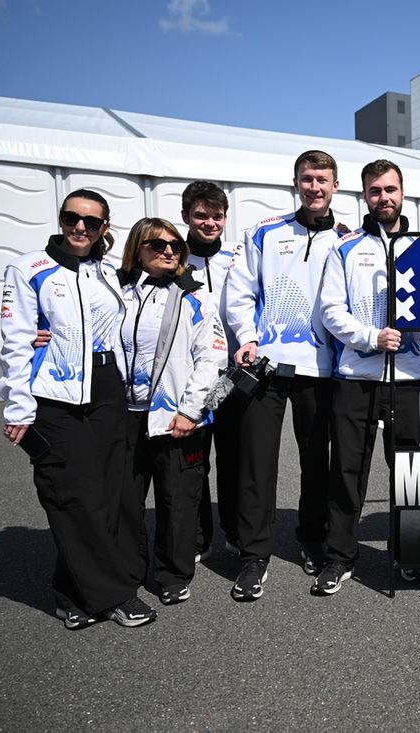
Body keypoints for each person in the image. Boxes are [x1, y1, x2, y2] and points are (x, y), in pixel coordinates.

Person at [0, 189, 156, 628]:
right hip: (56, 395)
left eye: (90, 221)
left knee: (106, 493)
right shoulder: (30, 268)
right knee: (71, 494)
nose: (79, 227)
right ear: (62, 219)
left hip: (109, 389)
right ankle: (113, 594)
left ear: (105, 228)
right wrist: (18, 407)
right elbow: (14, 340)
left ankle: (70, 594)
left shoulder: (109, 272)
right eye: (71, 218)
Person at [316, 160, 420, 595]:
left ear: (402, 192)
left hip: (410, 377)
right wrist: (371, 337)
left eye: (390, 189)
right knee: (347, 471)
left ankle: (409, 552)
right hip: (356, 376)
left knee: (411, 472)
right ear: (364, 196)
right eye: (375, 191)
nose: (384, 198)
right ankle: (339, 557)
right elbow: (331, 310)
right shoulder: (346, 247)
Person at [224, 150, 340, 601]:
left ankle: (312, 538)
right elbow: (240, 290)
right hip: (265, 367)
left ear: (335, 186)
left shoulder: (346, 240)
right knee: (256, 462)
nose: (314, 187)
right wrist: (248, 336)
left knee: (316, 462)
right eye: (307, 179)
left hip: (321, 368)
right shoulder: (264, 232)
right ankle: (254, 555)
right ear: (295, 183)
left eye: (322, 180)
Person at [115, 218, 225, 605]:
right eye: (156, 245)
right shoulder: (115, 292)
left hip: (177, 416)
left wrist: (190, 410)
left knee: (178, 499)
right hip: (124, 414)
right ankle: (127, 571)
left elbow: (211, 359)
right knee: (125, 500)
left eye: (175, 246)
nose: (168, 251)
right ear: (136, 249)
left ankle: (173, 574)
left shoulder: (197, 296)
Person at [183, 181, 245, 562]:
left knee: (235, 458)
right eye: (201, 215)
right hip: (191, 378)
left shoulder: (237, 258)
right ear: (186, 216)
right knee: (193, 461)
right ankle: (197, 536)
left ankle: (236, 532)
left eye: (217, 216)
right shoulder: (171, 258)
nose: (209, 222)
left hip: (233, 376)